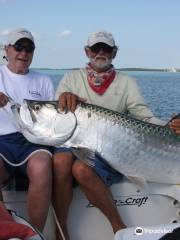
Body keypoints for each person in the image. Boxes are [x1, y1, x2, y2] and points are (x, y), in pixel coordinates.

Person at [53, 30, 180, 240]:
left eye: (107, 49)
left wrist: (170, 127)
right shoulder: (71, 78)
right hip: (74, 141)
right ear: (87, 51)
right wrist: (63, 98)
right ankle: (60, 229)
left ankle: (118, 229)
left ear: (115, 53)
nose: (101, 52)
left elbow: (144, 116)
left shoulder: (126, 82)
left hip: (110, 149)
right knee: (61, 160)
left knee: (82, 170)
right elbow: (59, 114)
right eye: (96, 48)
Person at [0, 28, 54, 232]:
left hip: (33, 141)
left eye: (28, 48)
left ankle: (35, 233)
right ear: (7, 49)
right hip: (2, 141)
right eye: (18, 47)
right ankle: (4, 229)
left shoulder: (44, 80)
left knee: (41, 167)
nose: (23, 53)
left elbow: (53, 120)